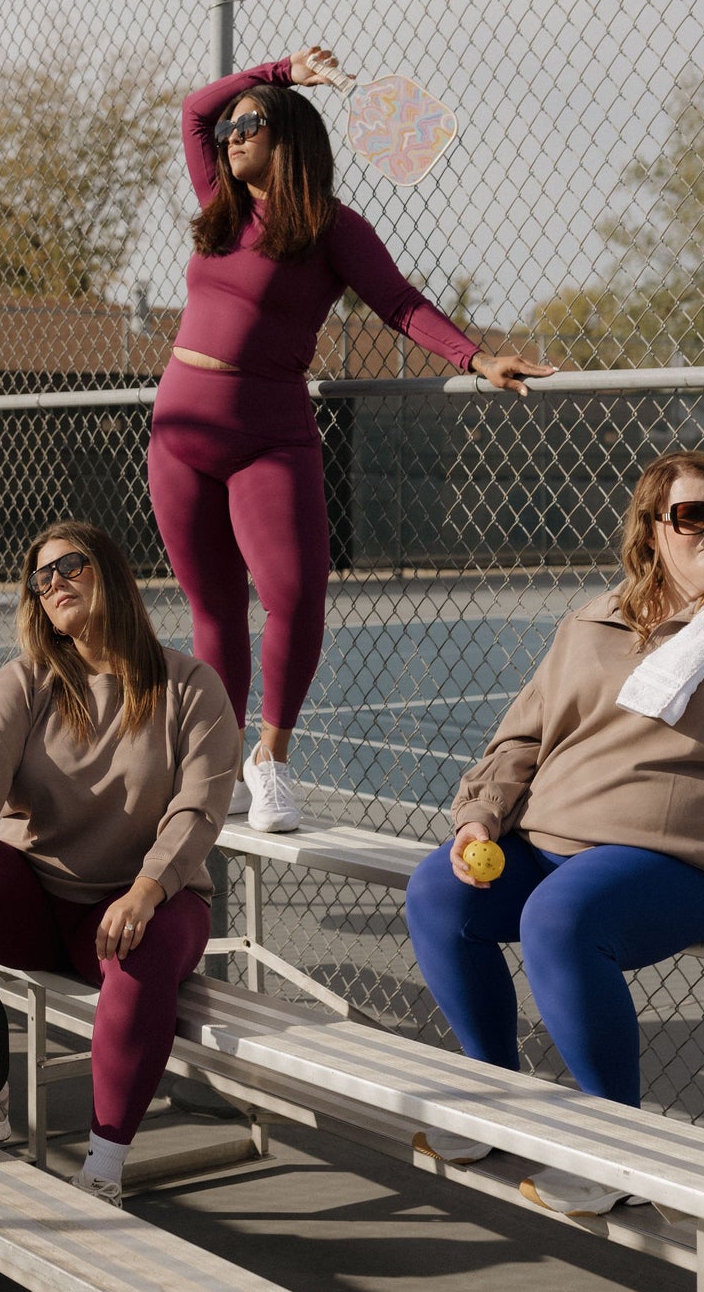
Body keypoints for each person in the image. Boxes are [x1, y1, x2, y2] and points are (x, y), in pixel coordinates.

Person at [148, 50, 552, 833]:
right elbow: (196, 108)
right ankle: (221, 762)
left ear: (289, 136)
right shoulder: (219, 204)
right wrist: (278, 70)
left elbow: (399, 302)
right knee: (213, 607)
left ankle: (271, 757)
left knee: (295, 592)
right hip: (179, 430)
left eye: (250, 124)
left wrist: (473, 355)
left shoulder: (332, 228)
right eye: (232, 129)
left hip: (269, 434)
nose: (230, 135)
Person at [405, 450, 704, 1216]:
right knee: (437, 891)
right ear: (650, 531)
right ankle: (497, 1100)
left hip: (686, 859)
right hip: (551, 838)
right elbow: (519, 741)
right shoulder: (589, 622)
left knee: (561, 915)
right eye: (691, 513)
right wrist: (479, 813)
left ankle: (620, 1152)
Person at [0, 519, 239, 1208]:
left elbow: (197, 809)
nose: (53, 582)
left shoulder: (190, 685)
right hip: (38, 900)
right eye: (40, 576)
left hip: (141, 905)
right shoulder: (25, 680)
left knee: (144, 941)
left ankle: (104, 1165)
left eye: (69, 566)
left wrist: (146, 890)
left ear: (111, 572)